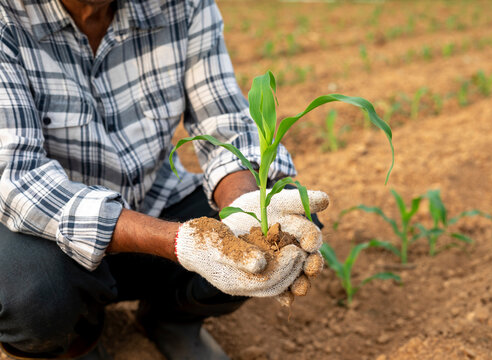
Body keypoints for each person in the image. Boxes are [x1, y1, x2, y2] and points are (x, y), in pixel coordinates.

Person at [0, 0, 328, 359]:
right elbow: (18, 176)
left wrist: (244, 212)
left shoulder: (182, 5)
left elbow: (224, 122)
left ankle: (171, 318)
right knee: (33, 295)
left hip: (151, 198)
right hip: (43, 233)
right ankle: (74, 345)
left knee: (283, 228)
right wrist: (181, 243)